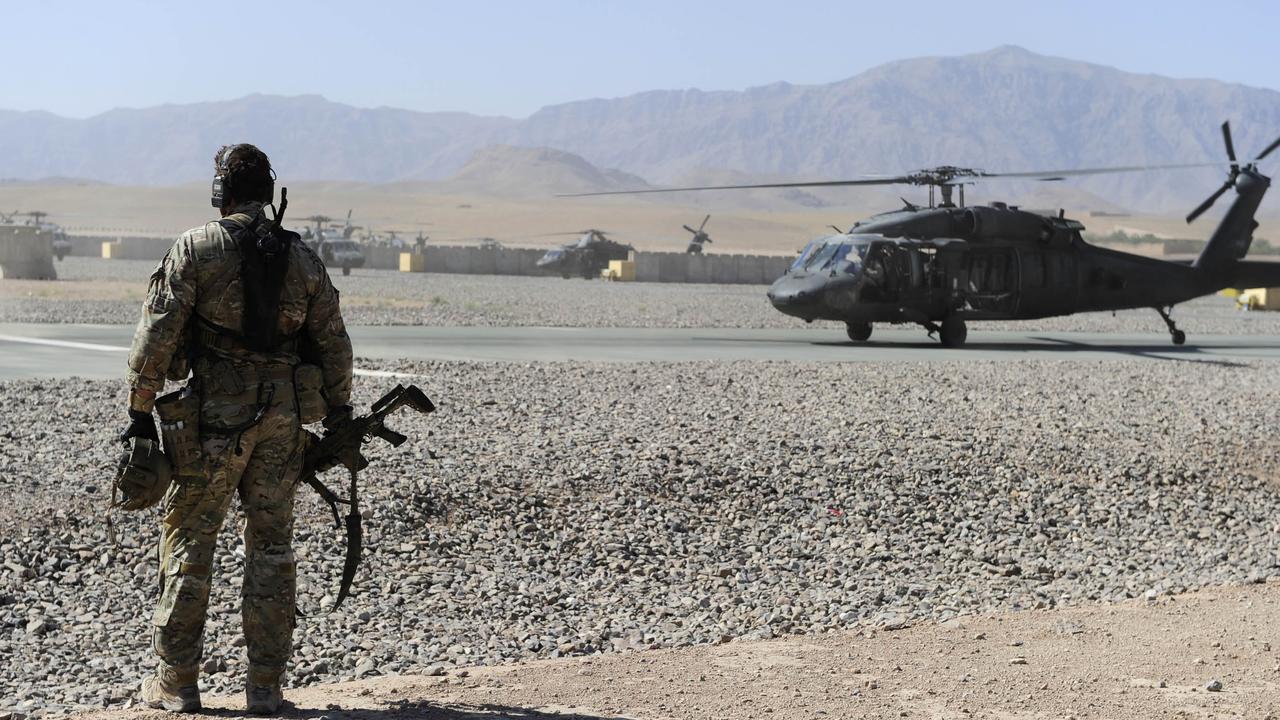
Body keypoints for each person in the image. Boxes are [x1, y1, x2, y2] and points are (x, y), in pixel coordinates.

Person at [121, 144, 353, 713]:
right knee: (272, 547)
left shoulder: (196, 248)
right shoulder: (303, 260)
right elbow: (334, 346)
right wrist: (342, 414)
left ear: (221, 191)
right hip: (283, 424)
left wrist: (139, 410)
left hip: (212, 424)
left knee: (189, 541)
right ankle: (266, 690)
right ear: (268, 193)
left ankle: (176, 684)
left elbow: (157, 338)